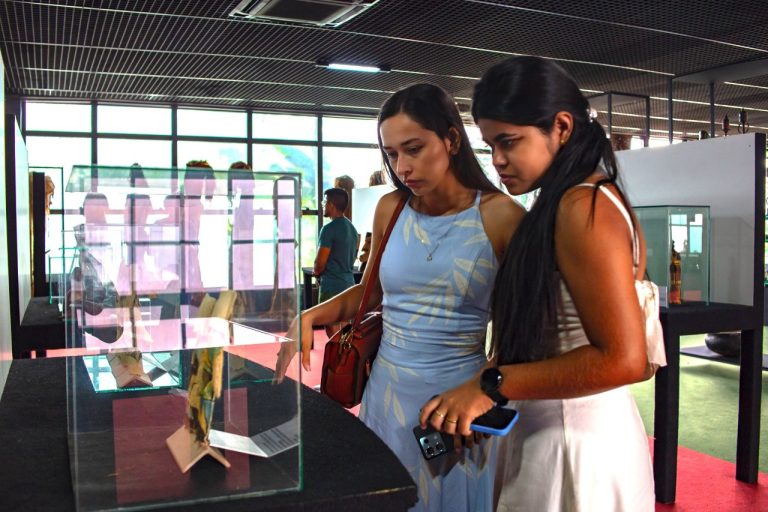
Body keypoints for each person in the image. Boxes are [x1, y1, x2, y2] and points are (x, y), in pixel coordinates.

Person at [419, 56, 656, 511]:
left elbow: (624, 358)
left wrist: (492, 383)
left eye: (509, 142)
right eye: (490, 145)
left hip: (572, 441)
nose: (498, 161)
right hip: (555, 425)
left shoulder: (581, 205)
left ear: (561, 127)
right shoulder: (577, 196)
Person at [276, 83, 524, 512]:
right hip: (386, 393)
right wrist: (308, 316)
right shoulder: (392, 207)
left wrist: (485, 391)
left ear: (451, 139)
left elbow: (519, 331)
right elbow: (369, 293)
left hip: (455, 398)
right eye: (392, 154)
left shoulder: (501, 216)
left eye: (413, 149)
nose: (403, 166)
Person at [314, 187, 358, 337]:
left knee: (331, 327)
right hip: (349, 284)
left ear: (331, 204)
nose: (322, 205)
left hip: (331, 285)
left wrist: (316, 274)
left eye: (324, 202)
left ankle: (336, 359)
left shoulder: (328, 229)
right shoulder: (352, 228)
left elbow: (320, 262)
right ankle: (345, 359)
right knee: (346, 328)